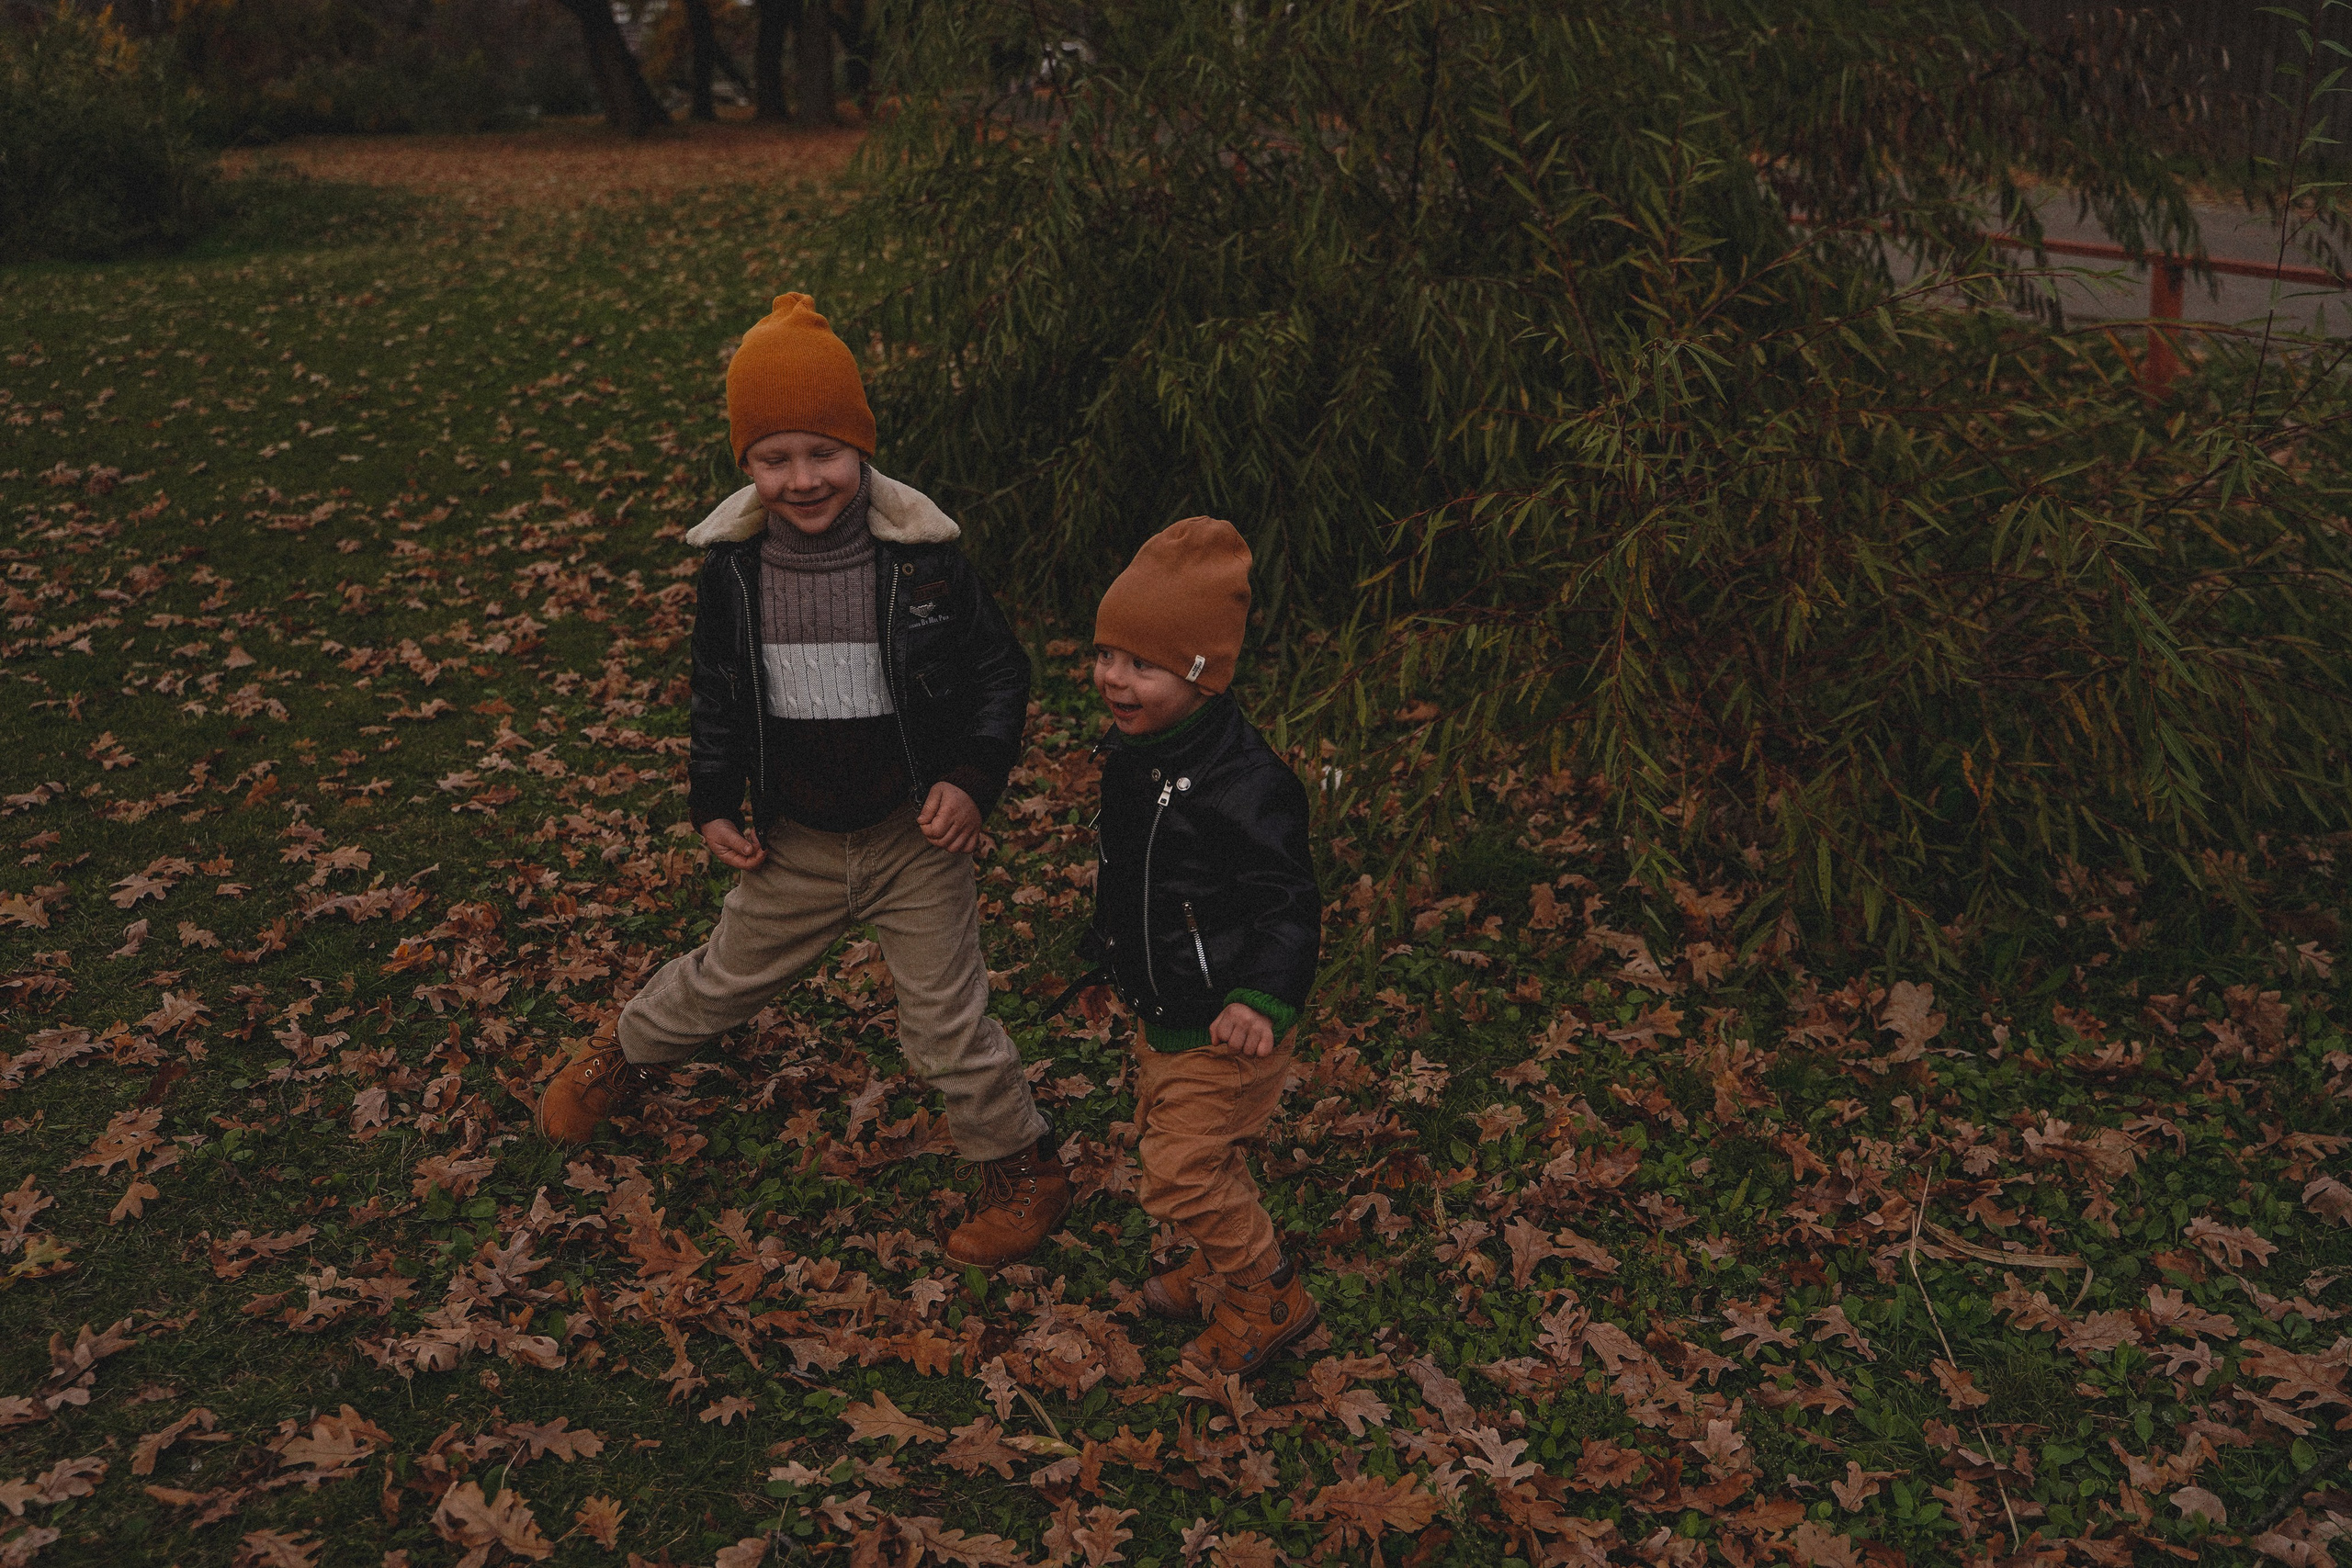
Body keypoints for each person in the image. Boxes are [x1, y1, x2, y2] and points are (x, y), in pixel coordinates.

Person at [537, 293, 1068, 1271]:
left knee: (947, 1023)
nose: (802, 478)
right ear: (745, 465)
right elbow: (719, 695)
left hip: (915, 838)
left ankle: (1021, 1168)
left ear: (860, 449)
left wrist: (971, 778)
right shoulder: (733, 575)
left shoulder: (925, 565)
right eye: (773, 458)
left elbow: (998, 673)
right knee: (721, 979)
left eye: (822, 453)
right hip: (800, 840)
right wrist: (712, 800)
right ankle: (623, 1053)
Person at [1083, 516, 1322, 1373]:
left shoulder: (1247, 785)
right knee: (1182, 1142)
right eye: (1108, 653)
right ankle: (1218, 1257)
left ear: (1199, 674)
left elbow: (1288, 902)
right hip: (1166, 1008)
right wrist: (1107, 945)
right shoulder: (1137, 755)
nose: (1115, 677)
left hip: (1228, 1022)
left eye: (1141, 664)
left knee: (1178, 1166)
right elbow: (1134, 873)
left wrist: (1260, 997)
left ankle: (1268, 1290)